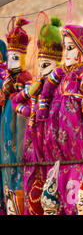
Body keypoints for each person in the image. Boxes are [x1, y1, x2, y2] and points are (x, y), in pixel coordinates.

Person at [36, 24, 83, 215]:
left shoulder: (82, 70)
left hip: (77, 145)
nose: (67, 53)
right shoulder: (60, 72)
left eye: (71, 47)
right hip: (58, 151)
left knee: (78, 199)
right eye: (65, 48)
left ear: (80, 48)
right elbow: (46, 89)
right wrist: (43, 107)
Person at [12, 17, 64, 215]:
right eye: (40, 65)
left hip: (52, 146)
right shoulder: (32, 86)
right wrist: (28, 103)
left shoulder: (59, 87)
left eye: (47, 64)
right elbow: (16, 101)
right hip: (32, 145)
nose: (43, 70)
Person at [0, 16, 33, 213]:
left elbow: (28, 106)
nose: (11, 62)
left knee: (17, 165)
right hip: (5, 125)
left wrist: (17, 99)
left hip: (18, 127)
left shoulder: (25, 78)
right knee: (6, 165)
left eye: (15, 57)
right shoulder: (7, 83)